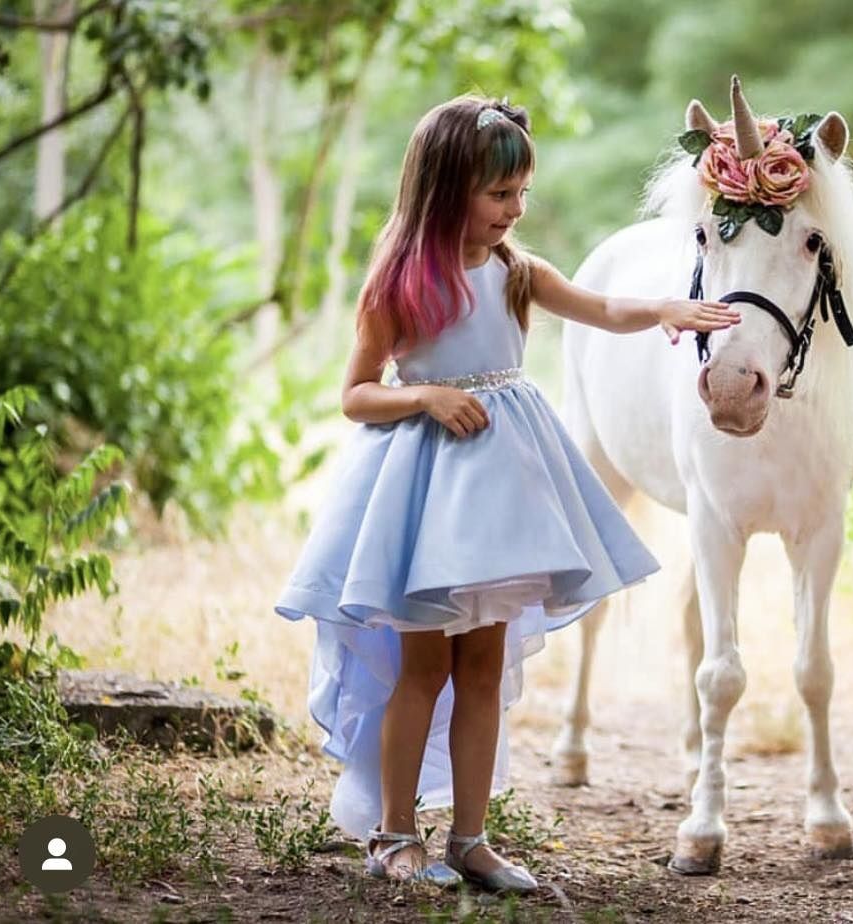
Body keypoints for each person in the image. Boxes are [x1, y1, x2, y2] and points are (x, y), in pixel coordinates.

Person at [273, 94, 740, 892]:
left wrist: (665, 307)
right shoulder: (400, 282)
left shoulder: (516, 272)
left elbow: (600, 308)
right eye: (499, 195)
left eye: (521, 194)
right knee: (422, 668)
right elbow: (354, 394)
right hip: (427, 501)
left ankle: (469, 836)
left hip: (503, 501)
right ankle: (394, 834)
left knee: (483, 667)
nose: (513, 210)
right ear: (446, 187)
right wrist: (424, 396)